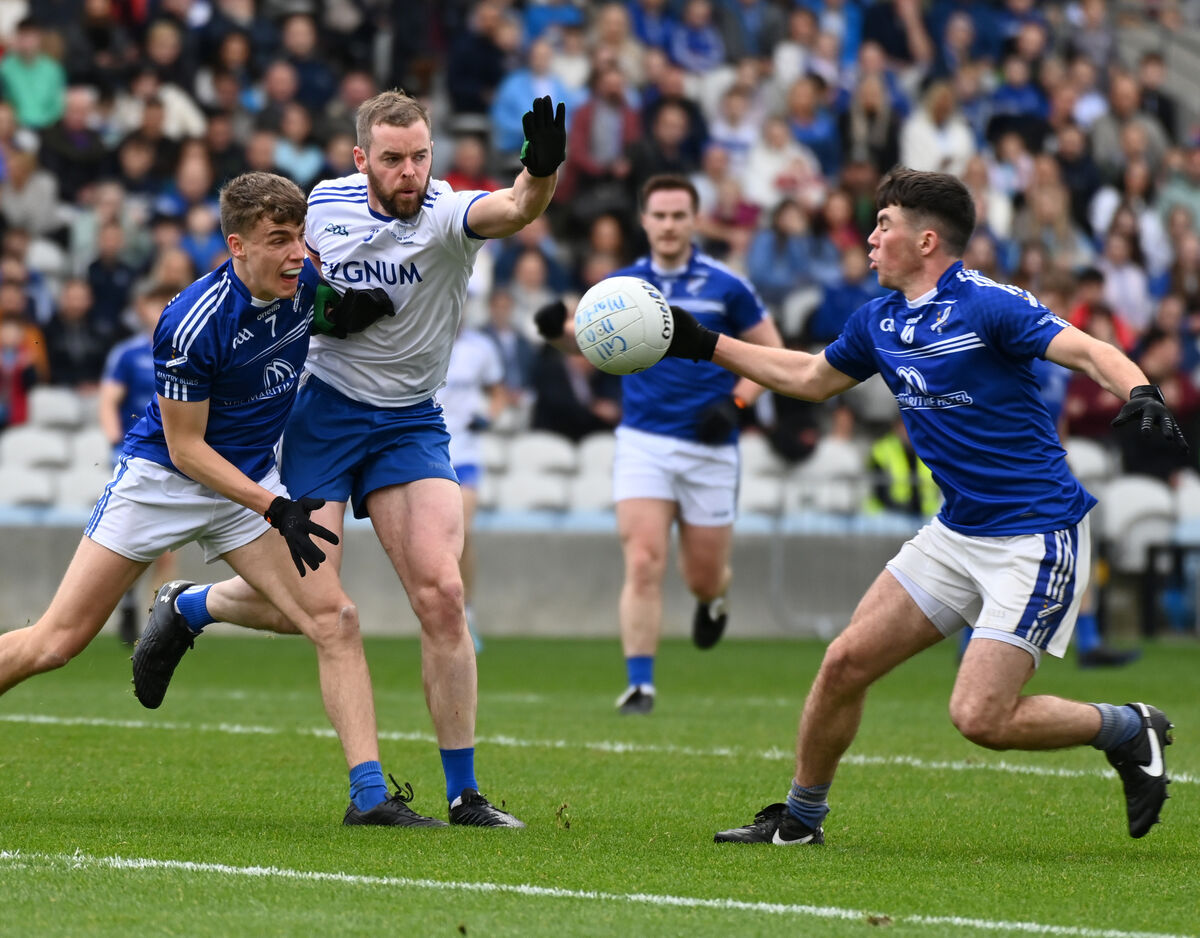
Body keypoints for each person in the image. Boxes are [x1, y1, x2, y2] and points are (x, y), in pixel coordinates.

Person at [657, 168, 1181, 845]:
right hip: (957, 533)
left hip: (1035, 535)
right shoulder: (876, 320)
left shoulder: (987, 303)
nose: (870, 237)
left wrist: (1139, 390)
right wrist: (700, 343)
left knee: (980, 718)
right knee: (845, 662)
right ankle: (800, 819)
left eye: (883, 225)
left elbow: (1086, 348)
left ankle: (1125, 726)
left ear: (927, 240)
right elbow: (811, 379)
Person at [132, 91, 567, 827]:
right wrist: (327, 304)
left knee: (443, 595)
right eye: (393, 159)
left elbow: (518, 208)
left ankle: (463, 794)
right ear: (362, 158)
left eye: (421, 156)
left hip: (409, 424)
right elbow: (258, 267)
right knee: (313, 607)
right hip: (322, 414)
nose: (410, 173)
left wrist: (544, 170)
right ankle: (192, 606)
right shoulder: (322, 207)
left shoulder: (446, 213)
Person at [0, 172, 437, 828]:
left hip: (245, 487)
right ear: (237, 245)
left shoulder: (304, 285)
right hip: (164, 484)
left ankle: (369, 797)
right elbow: (186, 450)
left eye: (301, 238)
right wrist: (274, 506)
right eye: (279, 240)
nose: (297, 253)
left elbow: (329, 312)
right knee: (57, 643)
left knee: (331, 619)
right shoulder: (192, 322)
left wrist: (360, 310)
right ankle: (183, 606)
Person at [535, 174, 783, 715]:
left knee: (701, 575)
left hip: (711, 446)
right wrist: (555, 331)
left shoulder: (727, 286)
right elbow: (588, 342)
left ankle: (715, 596)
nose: (669, 225)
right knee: (644, 560)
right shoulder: (621, 286)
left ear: (694, 221)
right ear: (644, 222)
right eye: (660, 215)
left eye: (679, 216)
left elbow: (772, 353)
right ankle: (639, 685)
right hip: (643, 441)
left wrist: (736, 405)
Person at [97, 280, 180, 644]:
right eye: (154, 303)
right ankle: (138, 605)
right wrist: (117, 444)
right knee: (145, 542)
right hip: (138, 455)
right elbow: (108, 401)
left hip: (176, 456)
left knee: (165, 546)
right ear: (141, 309)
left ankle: (148, 616)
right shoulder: (128, 354)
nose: (160, 310)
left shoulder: (188, 349)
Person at [440, 324, 507, 652]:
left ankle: (466, 612)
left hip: (465, 451)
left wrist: (489, 417)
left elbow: (498, 392)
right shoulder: (421, 332)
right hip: (427, 450)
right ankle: (441, 610)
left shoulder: (481, 347)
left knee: (463, 532)